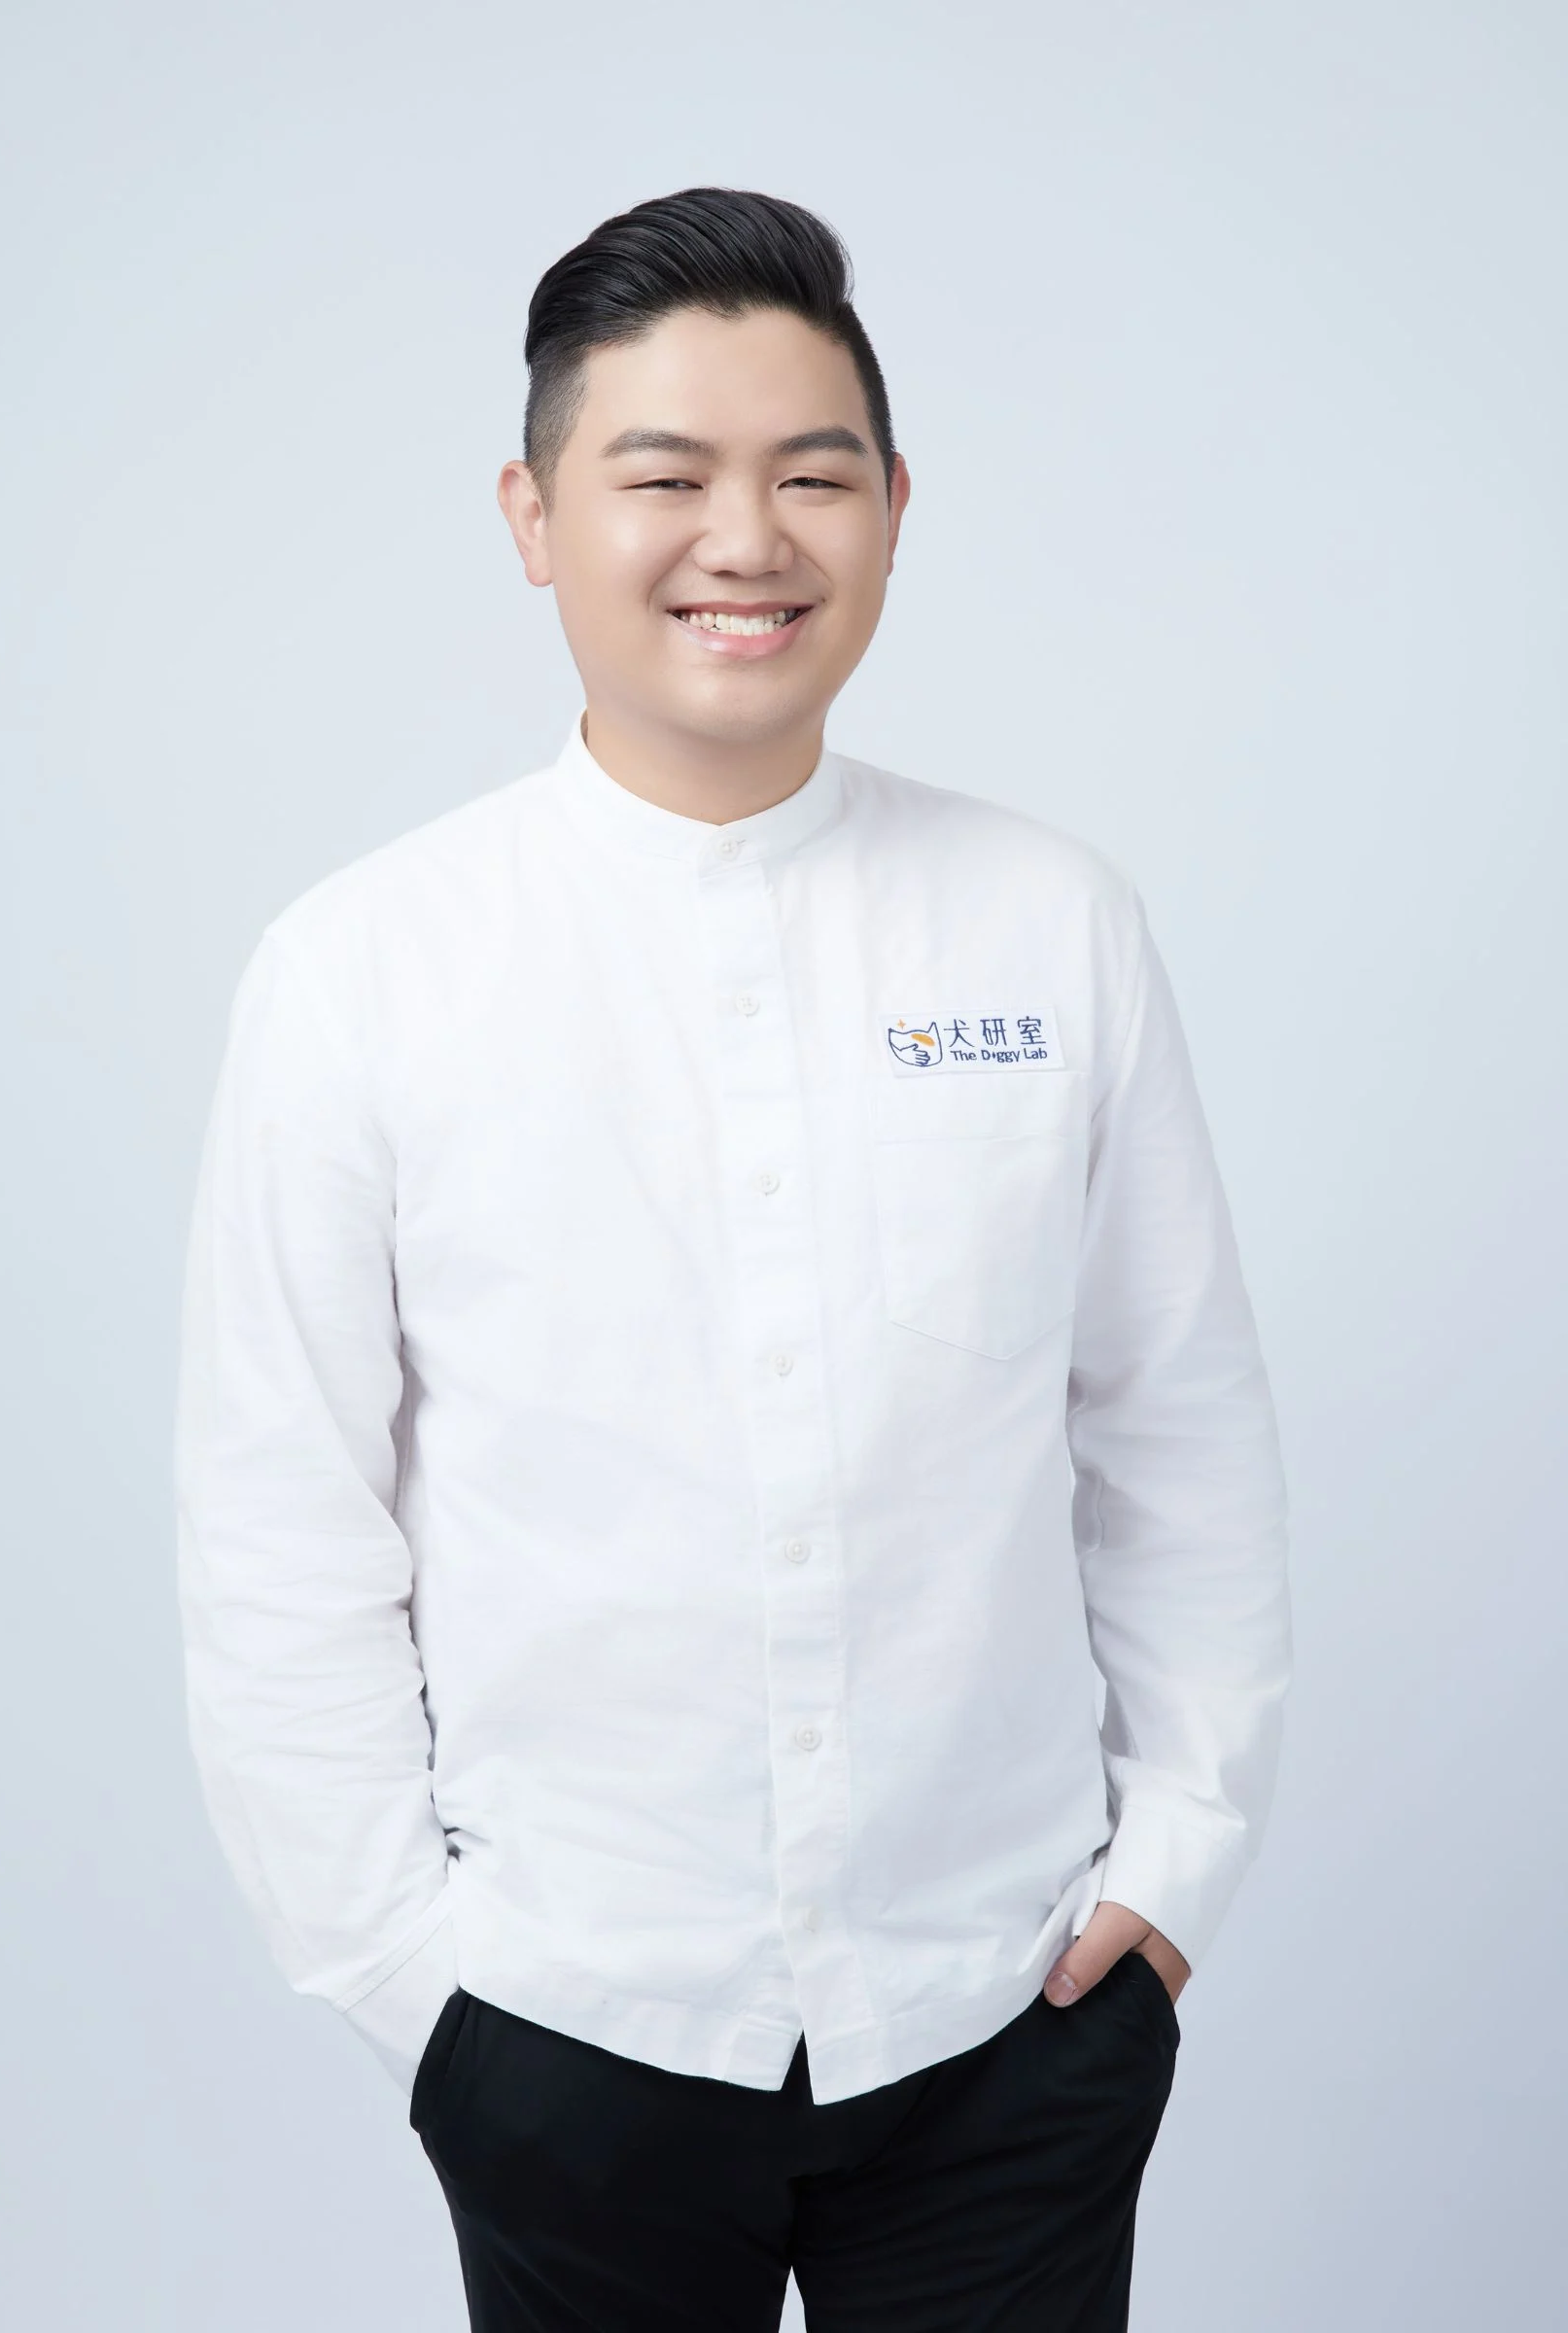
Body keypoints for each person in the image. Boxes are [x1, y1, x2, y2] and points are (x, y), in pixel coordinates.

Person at [175, 187, 1291, 2333]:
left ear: (895, 508)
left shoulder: (1050, 922)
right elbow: (280, 1520)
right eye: (666, 475)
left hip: (1007, 2013)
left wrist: (1174, 1870)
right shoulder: (365, 969)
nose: (746, 540)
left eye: (813, 475)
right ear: (534, 516)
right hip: (574, 2021)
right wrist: (415, 1987)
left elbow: (1178, 1429)